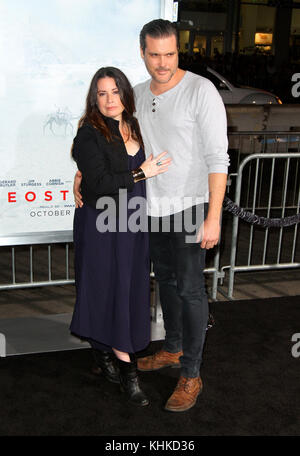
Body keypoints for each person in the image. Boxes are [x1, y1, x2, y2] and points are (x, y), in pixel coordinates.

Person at [74, 19, 229, 412]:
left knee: (191, 289)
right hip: (149, 211)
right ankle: (173, 349)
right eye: (154, 54)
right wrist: (81, 173)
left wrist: (214, 216)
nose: (163, 63)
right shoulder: (135, 95)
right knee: (168, 284)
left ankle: (191, 374)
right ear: (142, 53)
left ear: (180, 51)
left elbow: (217, 157)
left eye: (170, 54)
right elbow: (111, 141)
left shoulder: (201, 90)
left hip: (190, 206)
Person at [70, 66, 171, 407]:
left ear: (126, 94)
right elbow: (98, 184)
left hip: (133, 224)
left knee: (126, 290)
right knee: (107, 288)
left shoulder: (138, 125)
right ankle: (130, 376)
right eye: (102, 93)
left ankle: (102, 351)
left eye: (115, 91)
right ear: (93, 98)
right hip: (102, 226)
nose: (109, 100)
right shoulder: (89, 132)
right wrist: (142, 172)